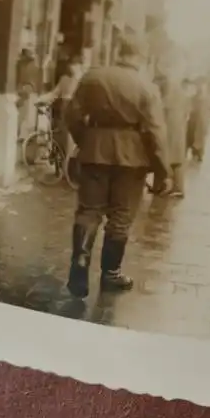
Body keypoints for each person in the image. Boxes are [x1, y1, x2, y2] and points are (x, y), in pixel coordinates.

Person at [64, 34, 169, 298]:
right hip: (132, 160)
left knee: (88, 211)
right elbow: (156, 133)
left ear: (119, 51)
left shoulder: (93, 77)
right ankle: (110, 274)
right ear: (141, 57)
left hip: (95, 150)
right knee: (121, 217)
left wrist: (86, 141)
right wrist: (162, 171)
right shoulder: (147, 88)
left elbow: (72, 114)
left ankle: (79, 266)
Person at [158, 73, 192, 198]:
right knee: (175, 160)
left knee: (172, 160)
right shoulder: (181, 98)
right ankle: (174, 187)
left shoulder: (168, 100)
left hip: (172, 133)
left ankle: (175, 187)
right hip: (177, 133)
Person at [187, 79, 210, 162]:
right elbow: (187, 109)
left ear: (206, 87)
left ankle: (199, 155)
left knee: (201, 139)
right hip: (193, 123)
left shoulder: (209, 99)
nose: (201, 88)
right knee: (192, 138)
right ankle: (194, 154)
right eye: (199, 86)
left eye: (203, 86)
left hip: (204, 123)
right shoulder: (192, 98)